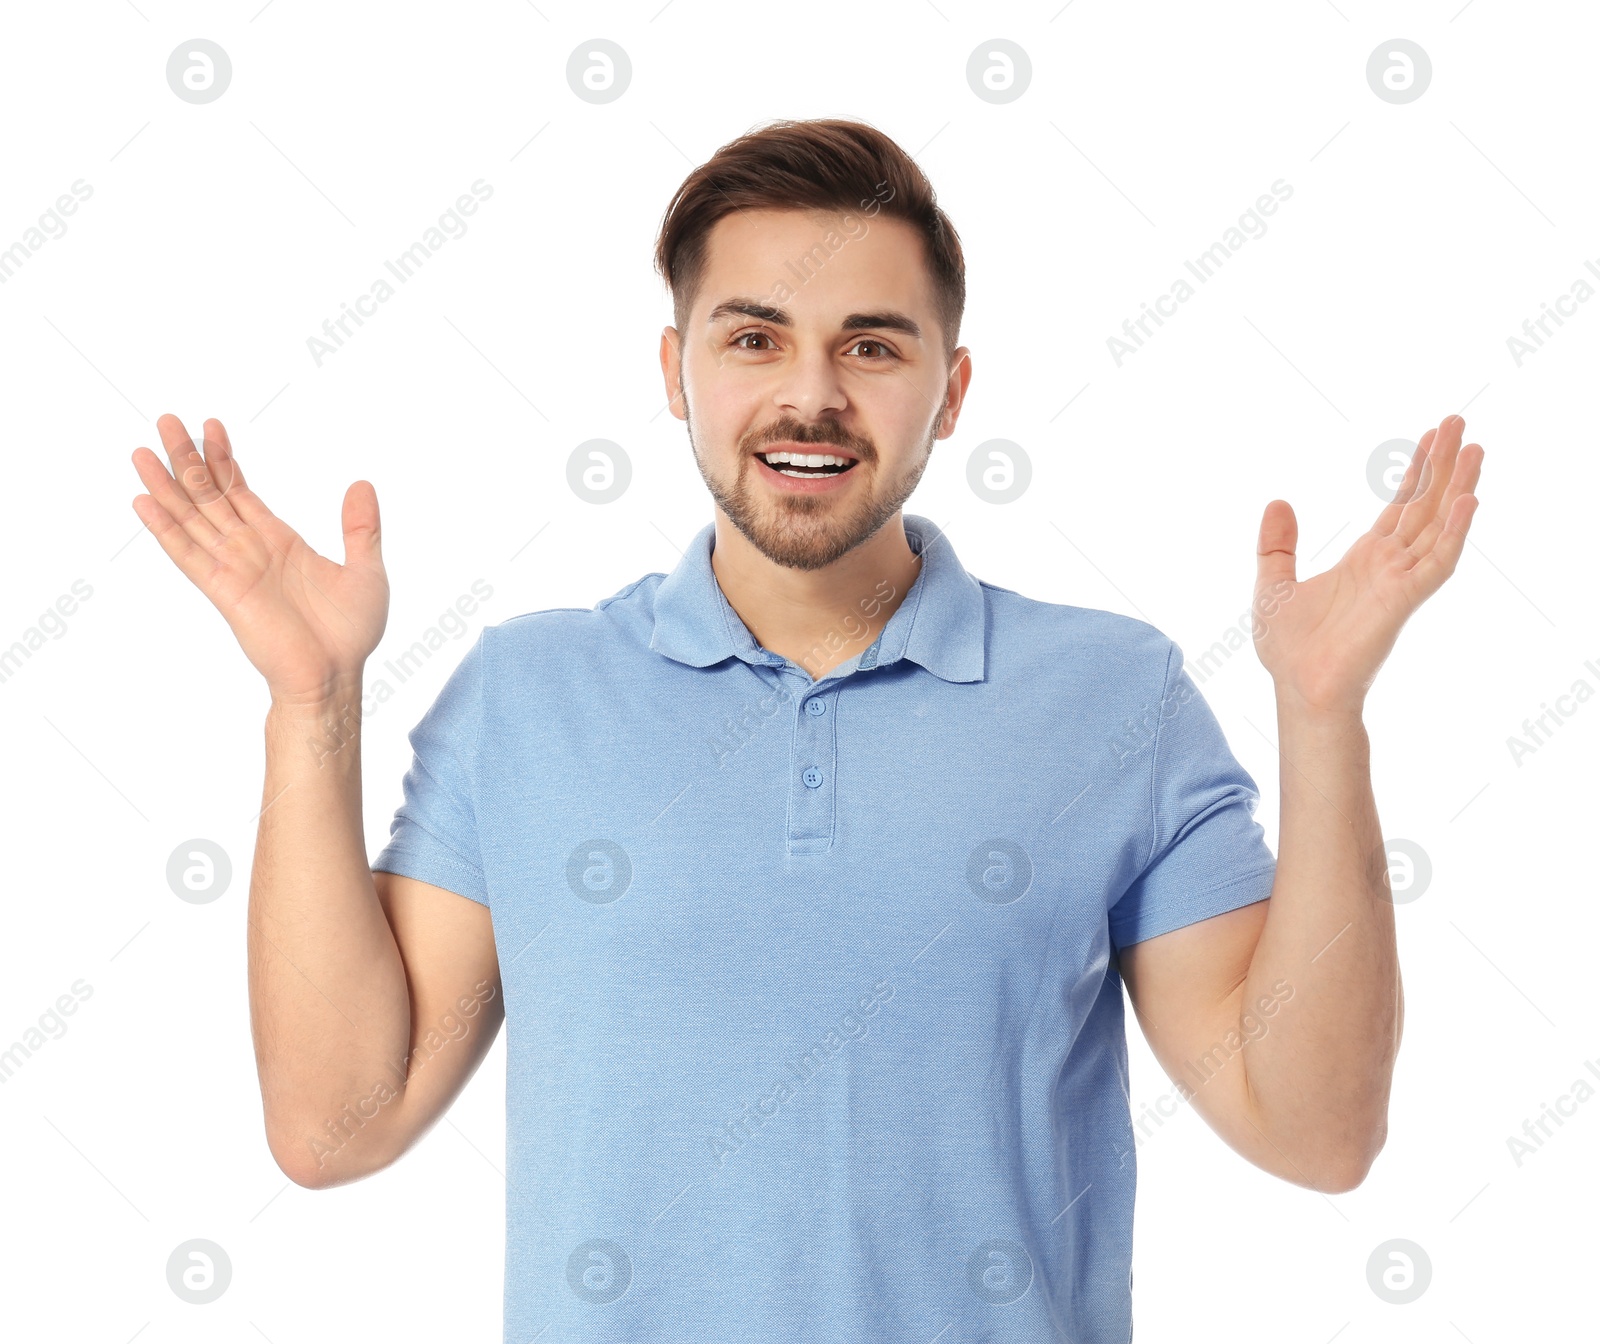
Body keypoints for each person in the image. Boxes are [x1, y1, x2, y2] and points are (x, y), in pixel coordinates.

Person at [129, 117, 1483, 1343]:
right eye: (755, 336)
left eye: (874, 345)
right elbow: (331, 1128)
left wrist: (1325, 718)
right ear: (679, 369)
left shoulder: (1114, 695)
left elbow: (1316, 1135)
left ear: (952, 393)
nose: (813, 394)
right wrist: (312, 706)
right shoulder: (525, 696)